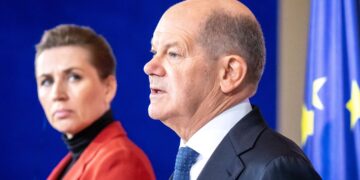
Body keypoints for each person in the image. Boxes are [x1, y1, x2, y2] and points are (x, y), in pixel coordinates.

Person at [143, 0, 321, 179]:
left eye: (173, 53)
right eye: (154, 52)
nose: (150, 67)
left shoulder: (274, 168)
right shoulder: (188, 166)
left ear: (230, 73)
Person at [35, 24, 155, 180]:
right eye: (46, 81)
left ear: (108, 88)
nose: (57, 94)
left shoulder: (121, 161)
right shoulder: (73, 162)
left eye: (74, 77)